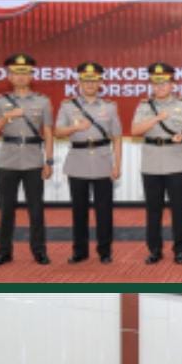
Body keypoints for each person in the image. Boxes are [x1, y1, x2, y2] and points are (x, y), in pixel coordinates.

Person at [0, 53, 53, 267]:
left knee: (36, 210)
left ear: (31, 76)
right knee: (6, 210)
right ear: (9, 76)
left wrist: (49, 161)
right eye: (16, 73)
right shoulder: (0, 102)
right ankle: (4, 252)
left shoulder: (43, 101)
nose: (21, 77)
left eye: (25, 73)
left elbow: (48, 132)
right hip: (8, 161)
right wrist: (7, 116)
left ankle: (39, 251)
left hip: (33, 160)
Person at [131, 62, 182, 265]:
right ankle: (154, 250)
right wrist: (155, 119)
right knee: (153, 210)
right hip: (151, 162)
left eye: (164, 83)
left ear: (172, 84)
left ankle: (180, 250)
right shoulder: (144, 106)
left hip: (176, 161)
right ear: (151, 84)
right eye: (156, 83)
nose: (160, 87)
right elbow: (135, 130)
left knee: (179, 210)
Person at [55, 62, 122, 264]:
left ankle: (105, 251)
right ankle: (80, 251)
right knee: (79, 211)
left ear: (101, 82)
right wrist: (75, 129)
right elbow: (58, 132)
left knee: (104, 211)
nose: (90, 84)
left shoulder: (109, 107)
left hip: (102, 161)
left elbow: (117, 137)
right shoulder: (67, 106)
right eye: (86, 80)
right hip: (78, 161)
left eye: (94, 80)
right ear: (79, 82)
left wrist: (117, 164)